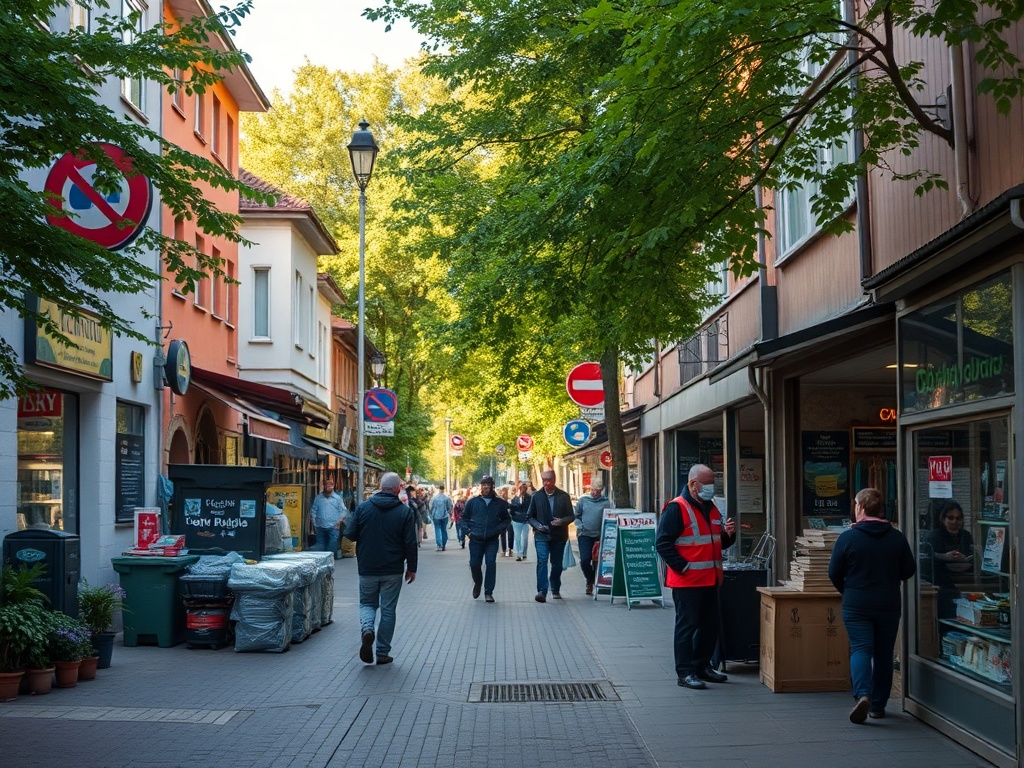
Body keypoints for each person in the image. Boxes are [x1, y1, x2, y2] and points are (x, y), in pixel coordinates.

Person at [828, 487, 916, 723]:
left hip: (856, 603)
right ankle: (878, 706)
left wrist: (848, 590)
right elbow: (909, 570)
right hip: (888, 603)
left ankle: (862, 694)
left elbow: (834, 572)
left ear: (860, 508)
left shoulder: (848, 538)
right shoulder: (896, 537)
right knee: (884, 653)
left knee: (860, 649)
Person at [655, 463, 736, 690]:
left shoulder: (711, 507)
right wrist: (683, 567)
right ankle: (685, 673)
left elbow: (716, 542)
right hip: (687, 581)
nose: (711, 488)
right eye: (707, 484)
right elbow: (662, 543)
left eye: (712, 484)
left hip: (710, 580)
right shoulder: (676, 508)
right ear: (693, 484)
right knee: (687, 627)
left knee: (710, 626)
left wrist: (729, 536)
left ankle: (703, 666)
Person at [344, 472, 418, 666]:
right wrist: (411, 568)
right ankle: (383, 653)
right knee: (388, 610)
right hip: (392, 569)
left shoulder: (363, 508)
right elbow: (410, 542)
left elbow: (350, 535)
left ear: (379, 485)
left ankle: (368, 629)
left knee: (367, 604)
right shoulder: (405, 512)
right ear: (397, 488)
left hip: (367, 567)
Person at [460, 475, 511, 603]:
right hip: (476, 538)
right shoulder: (473, 502)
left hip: (492, 539)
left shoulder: (499, 503)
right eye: (483, 485)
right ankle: (478, 582)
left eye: (488, 485)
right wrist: (468, 532)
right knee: (474, 564)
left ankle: (489, 592)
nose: (486, 487)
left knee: (490, 563)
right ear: (480, 487)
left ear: (492, 486)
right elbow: (464, 519)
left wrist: (498, 530)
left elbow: (506, 519)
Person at [527, 469, 574, 602]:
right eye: (544, 480)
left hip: (558, 535)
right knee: (542, 561)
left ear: (554, 480)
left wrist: (562, 521)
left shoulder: (563, 496)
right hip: (541, 535)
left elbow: (571, 515)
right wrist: (537, 526)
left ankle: (555, 588)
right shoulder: (537, 496)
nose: (546, 483)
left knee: (557, 564)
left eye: (549, 480)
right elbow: (530, 516)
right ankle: (542, 591)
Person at [926, 500, 975, 619]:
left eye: (958, 518)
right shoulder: (935, 536)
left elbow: (972, 556)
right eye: (951, 518)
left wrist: (965, 558)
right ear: (943, 519)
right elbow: (929, 559)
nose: (955, 522)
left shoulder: (966, 535)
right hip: (943, 586)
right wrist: (944, 556)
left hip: (965, 582)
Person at [574, 478, 611, 596]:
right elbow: (576, 515)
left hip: (599, 535)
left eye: (599, 491)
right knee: (585, 560)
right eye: (594, 490)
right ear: (590, 488)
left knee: (597, 561)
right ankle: (590, 579)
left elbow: (609, 517)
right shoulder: (583, 500)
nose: (596, 493)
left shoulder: (605, 502)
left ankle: (593, 583)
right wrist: (580, 526)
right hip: (584, 534)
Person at [310, 477, 347, 559]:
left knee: (332, 544)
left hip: (334, 526)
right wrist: (314, 523)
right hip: (320, 525)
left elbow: (344, 511)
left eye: (330, 485)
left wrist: (339, 521)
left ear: (333, 486)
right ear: (324, 486)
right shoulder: (318, 498)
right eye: (327, 485)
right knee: (320, 544)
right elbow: (313, 511)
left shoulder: (338, 498)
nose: (328, 487)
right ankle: (320, 560)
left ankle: (331, 560)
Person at [509, 481, 532, 561]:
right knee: (521, 537)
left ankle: (521, 553)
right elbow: (513, 507)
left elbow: (513, 508)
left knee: (521, 538)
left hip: (521, 519)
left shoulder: (528, 498)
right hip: (519, 519)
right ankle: (521, 553)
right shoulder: (516, 498)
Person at [429, 483, 454, 551]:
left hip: (436, 516)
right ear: (444, 490)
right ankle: (444, 544)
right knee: (444, 530)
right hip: (444, 516)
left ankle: (439, 544)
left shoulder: (434, 498)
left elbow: (431, 507)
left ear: (439, 490)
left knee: (437, 529)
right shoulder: (447, 498)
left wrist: (431, 514)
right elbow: (450, 506)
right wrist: (448, 513)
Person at [496, 485, 514, 556]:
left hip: (509, 518)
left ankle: (508, 549)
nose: (504, 494)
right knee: (505, 534)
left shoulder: (510, 500)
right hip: (504, 519)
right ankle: (506, 550)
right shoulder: (501, 501)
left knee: (509, 534)